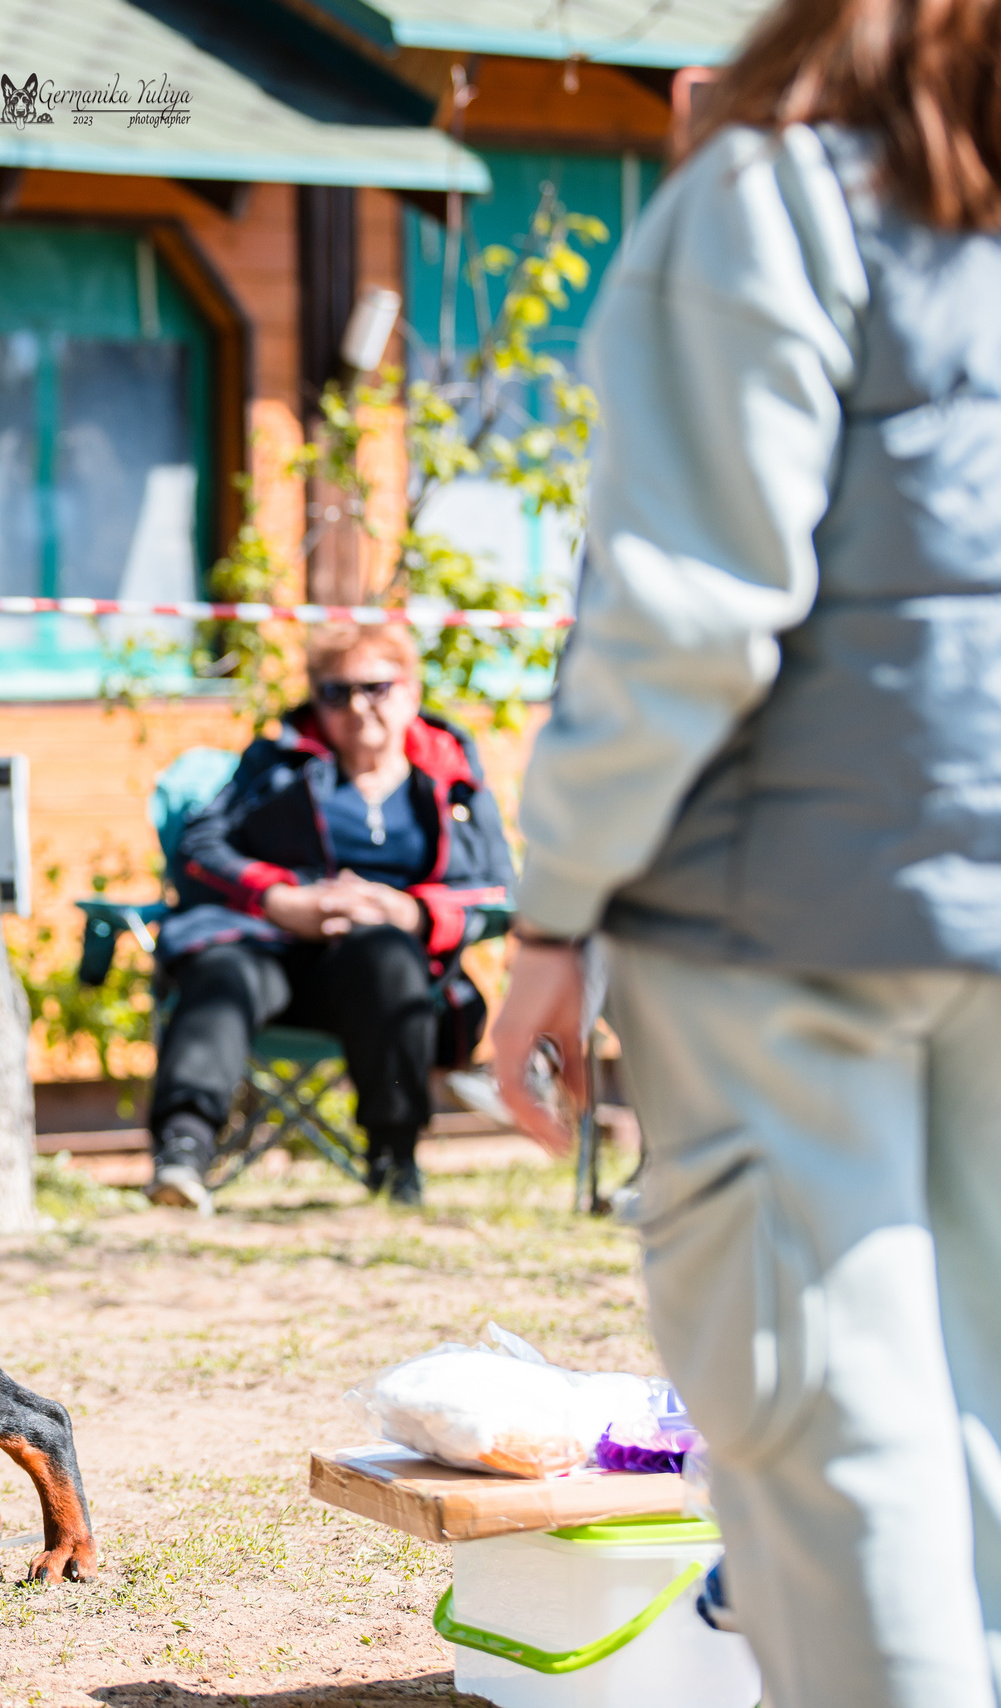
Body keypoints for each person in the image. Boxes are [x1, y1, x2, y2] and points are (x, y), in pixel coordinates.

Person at [492, 5, 1001, 1701]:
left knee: (845, 1463)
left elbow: (685, 625)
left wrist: (554, 906)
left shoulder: (772, 200)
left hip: (784, 929)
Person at [145, 623, 513, 1212]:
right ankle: (181, 1156)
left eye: (375, 687)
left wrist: (413, 911)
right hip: (268, 948)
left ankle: (395, 1159)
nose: (357, 706)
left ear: (412, 691)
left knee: (390, 957)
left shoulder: (453, 781)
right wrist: (281, 899)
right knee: (220, 970)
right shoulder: (275, 764)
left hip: (379, 972)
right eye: (335, 692)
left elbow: (497, 889)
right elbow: (200, 850)